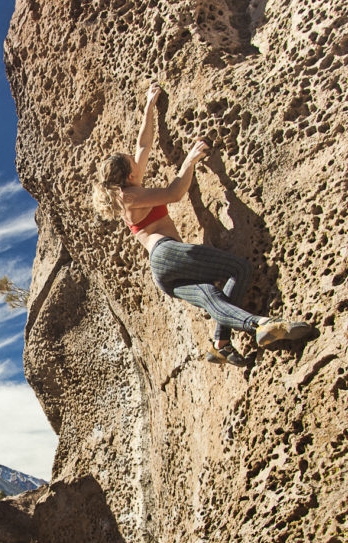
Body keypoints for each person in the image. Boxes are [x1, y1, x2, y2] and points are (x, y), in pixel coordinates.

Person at [92, 83, 312, 366]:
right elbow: (174, 193)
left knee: (211, 295)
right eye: (131, 162)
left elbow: (144, 144)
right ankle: (260, 325)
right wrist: (191, 160)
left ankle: (220, 344)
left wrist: (149, 107)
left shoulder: (130, 187)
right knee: (239, 268)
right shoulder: (129, 195)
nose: (137, 161)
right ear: (128, 174)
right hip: (167, 253)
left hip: (163, 271)